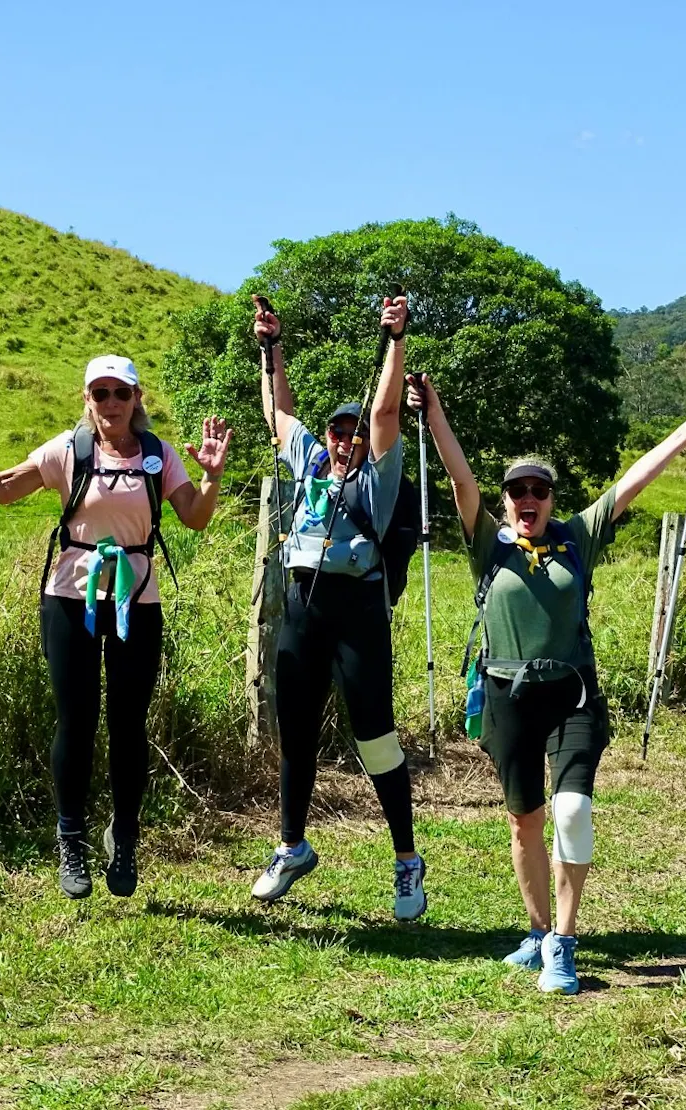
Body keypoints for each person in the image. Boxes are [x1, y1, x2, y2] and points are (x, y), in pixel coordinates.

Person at [409, 369, 686, 994]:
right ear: (506, 501)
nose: (529, 499)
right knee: (525, 819)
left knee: (572, 809)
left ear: (552, 499)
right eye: (519, 491)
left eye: (540, 491)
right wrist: (435, 411)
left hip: (573, 692)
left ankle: (564, 942)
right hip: (506, 694)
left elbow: (630, 485)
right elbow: (459, 477)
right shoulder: (486, 545)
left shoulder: (576, 538)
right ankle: (536, 929)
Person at [0, 355, 230, 899]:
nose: (111, 403)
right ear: (87, 399)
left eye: (121, 393)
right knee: (77, 719)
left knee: (130, 724)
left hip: (137, 599)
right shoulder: (68, 450)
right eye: (100, 393)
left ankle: (126, 838)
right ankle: (71, 840)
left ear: (137, 400)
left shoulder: (159, 455)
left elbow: (195, 517)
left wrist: (210, 477)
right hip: (70, 599)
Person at [249, 294, 427, 920]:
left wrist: (394, 341)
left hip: (357, 611)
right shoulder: (309, 464)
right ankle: (291, 847)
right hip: (303, 604)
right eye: (337, 430)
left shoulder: (378, 478)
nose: (346, 439)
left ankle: (407, 862)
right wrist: (271, 347)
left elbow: (383, 411)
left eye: (354, 433)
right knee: (295, 734)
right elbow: (279, 413)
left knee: (375, 739)